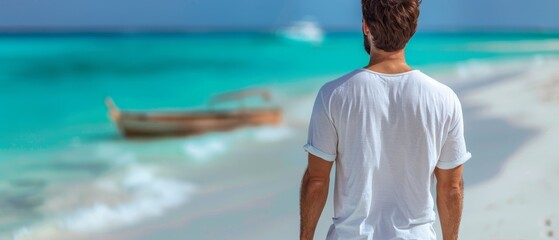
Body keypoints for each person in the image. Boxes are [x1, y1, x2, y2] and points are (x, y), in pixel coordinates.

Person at [299, 0, 471, 239]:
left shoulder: (333, 95)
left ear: (366, 27)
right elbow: (452, 187)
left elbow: (316, 181)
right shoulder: (444, 99)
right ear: (412, 28)